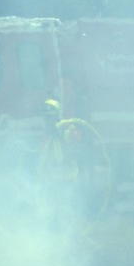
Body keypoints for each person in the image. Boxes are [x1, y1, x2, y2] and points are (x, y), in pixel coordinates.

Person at [37, 99, 108, 232]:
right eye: (45, 117)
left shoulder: (67, 129)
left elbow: (75, 144)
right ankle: (55, 231)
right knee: (52, 205)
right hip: (53, 177)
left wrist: (61, 134)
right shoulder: (47, 134)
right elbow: (44, 155)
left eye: (49, 117)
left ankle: (70, 233)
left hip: (67, 176)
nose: (47, 120)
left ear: (56, 115)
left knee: (65, 205)